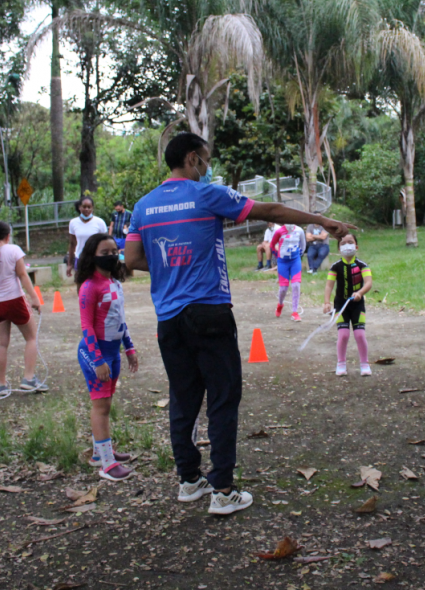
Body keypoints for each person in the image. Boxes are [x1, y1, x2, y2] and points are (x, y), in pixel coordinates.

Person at [125, 132, 353, 516]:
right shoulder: (206, 194)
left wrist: (171, 265)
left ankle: (189, 480)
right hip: (209, 312)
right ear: (193, 158)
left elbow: (132, 258)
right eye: (205, 158)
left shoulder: (143, 207)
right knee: (223, 396)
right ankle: (223, 490)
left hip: (169, 319)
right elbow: (271, 212)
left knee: (183, 398)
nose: (207, 166)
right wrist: (320, 220)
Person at [75, 233, 138, 481]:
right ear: (92, 256)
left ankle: (100, 453)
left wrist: (129, 348)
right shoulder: (89, 287)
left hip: (113, 353)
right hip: (97, 354)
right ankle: (107, 464)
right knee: (101, 407)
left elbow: (119, 319)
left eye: (114, 251)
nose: (112, 256)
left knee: (106, 404)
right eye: (105, 253)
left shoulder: (114, 283)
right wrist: (98, 360)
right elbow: (87, 327)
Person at [0, 221, 46, 400]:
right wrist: (34, 298)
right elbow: (23, 275)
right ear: (7, 235)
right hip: (15, 300)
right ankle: (28, 378)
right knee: (31, 337)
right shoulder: (13, 250)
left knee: (0, 343)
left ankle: (1, 385)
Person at [323, 234, 373, 376]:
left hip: (358, 306)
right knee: (343, 335)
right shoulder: (335, 267)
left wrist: (360, 293)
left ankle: (364, 364)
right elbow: (329, 286)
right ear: (339, 249)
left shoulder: (362, 265)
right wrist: (326, 302)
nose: (347, 245)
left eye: (350, 242)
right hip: (341, 306)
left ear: (356, 246)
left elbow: (368, 283)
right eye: (343, 243)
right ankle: (341, 364)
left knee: (360, 335)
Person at [269, 224, 306, 322]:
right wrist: (278, 256)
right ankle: (280, 304)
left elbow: (303, 245)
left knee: (296, 285)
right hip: (282, 262)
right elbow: (272, 245)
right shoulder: (279, 231)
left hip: (295, 261)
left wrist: (298, 255)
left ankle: (295, 312)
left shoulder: (299, 230)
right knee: (283, 288)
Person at [66, 195, 107, 277]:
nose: (86, 209)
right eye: (84, 207)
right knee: (81, 282)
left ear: (92, 208)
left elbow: (106, 242)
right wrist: (69, 264)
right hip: (80, 258)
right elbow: (72, 244)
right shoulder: (73, 223)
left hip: (96, 258)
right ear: (79, 207)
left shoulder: (99, 222)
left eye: (89, 207)